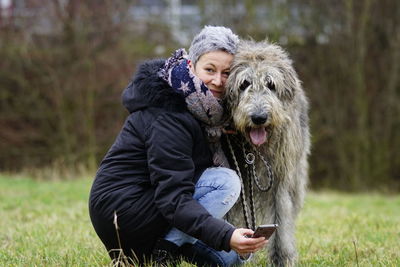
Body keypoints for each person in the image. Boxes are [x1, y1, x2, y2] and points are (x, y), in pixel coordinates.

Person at [89, 26, 267, 267]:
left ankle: (164, 247)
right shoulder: (169, 113)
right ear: (191, 67)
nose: (217, 81)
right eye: (210, 70)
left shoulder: (206, 113)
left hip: (148, 208)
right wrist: (226, 234)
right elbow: (173, 197)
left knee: (233, 259)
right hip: (124, 214)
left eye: (227, 73)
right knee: (225, 182)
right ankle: (166, 252)